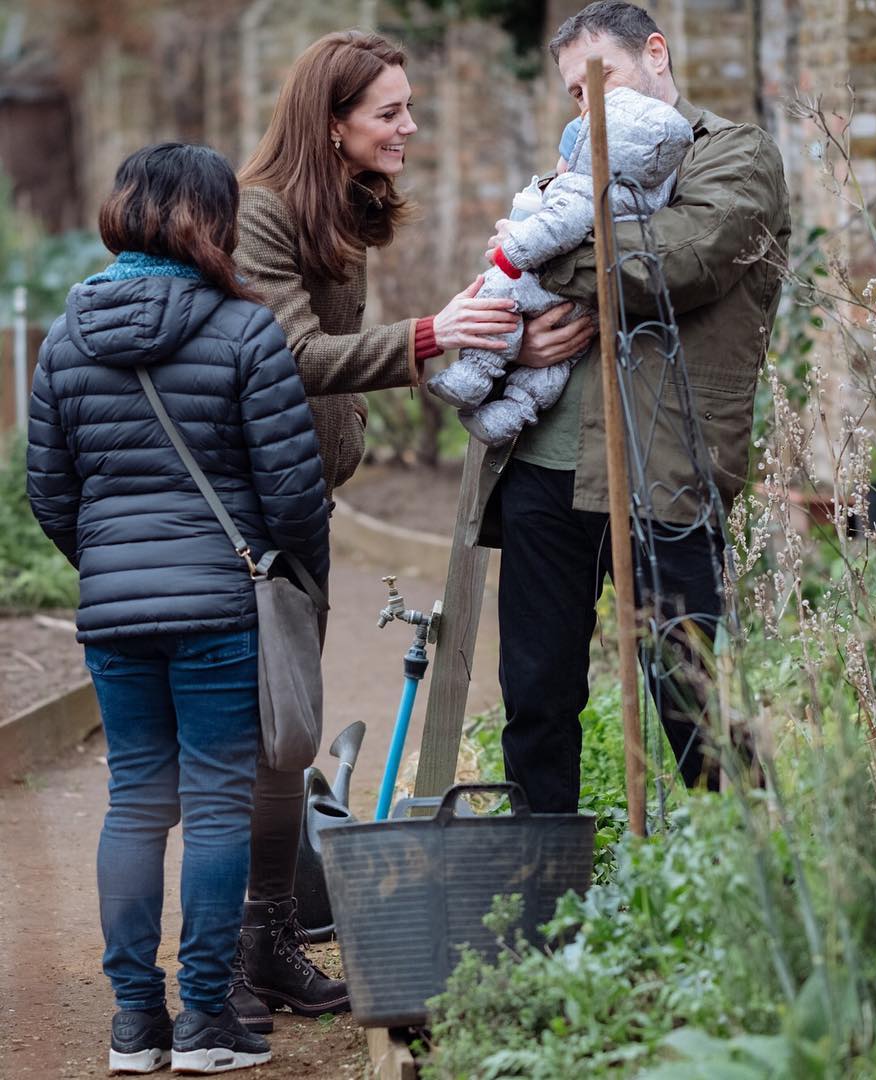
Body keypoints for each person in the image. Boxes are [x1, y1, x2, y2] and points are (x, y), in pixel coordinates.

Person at [226, 29, 549, 1030]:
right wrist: (431, 335)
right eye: (389, 113)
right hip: (248, 511)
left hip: (298, 498)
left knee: (285, 735)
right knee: (265, 735)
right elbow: (283, 352)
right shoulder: (259, 213)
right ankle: (239, 953)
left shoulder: (335, 208)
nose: (410, 127)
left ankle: (266, 941)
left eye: (408, 108)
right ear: (332, 123)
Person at [26, 142, 331, 1074]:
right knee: (213, 806)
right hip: (219, 611)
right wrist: (280, 574)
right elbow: (293, 492)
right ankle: (204, 1023)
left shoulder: (65, 335)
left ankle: (133, 1029)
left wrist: (111, 565)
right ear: (214, 219)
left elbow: (49, 491)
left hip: (116, 615)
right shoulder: (245, 330)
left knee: (133, 805)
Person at [468, 1, 792, 813]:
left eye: (599, 81)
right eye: (576, 94)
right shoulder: (580, 171)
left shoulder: (736, 154)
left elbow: (673, 260)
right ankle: (547, 902)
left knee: (691, 696)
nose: (590, 108)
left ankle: (752, 880)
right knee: (536, 697)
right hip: (544, 467)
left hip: (665, 463)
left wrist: (541, 256)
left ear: (656, 54)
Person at [427, 88, 692, 446]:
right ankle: (511, 413)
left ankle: (473, 374)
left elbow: (553, 229)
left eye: (564, 156)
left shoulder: (582, 188)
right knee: (556, 366)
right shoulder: (649, 193)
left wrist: (511, 251)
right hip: (589, 314)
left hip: (545, 287)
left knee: (497, 295)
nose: (558, 166)